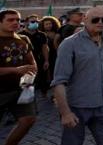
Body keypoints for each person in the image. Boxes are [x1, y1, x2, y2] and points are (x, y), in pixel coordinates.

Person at [51, 7, 103, 144]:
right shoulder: (69, 44)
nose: (100, 22)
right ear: (85, 19)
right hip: (77, 106)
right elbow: (59, 81)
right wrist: (65, 113)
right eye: (95, 19)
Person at [0, 9, 37, 145]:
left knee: (28, 120)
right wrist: (15, 70)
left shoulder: (23, 38)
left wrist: (32, 71)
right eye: (10, 20)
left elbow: (31, 60)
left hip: (21, 89)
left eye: (18, 20)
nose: (15, 22)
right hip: (1, 90)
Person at [21, 14, 49, 97]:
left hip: (40, 59)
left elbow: (45, 48)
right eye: (33, 21)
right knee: (27, 79)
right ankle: (26, 95)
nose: (35, 23)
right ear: (26, 23)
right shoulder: (21, 35)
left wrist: (46, 60)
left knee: (42, 79)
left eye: (37, 21)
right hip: (26, 61)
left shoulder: (42, 35)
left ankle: (44, 95)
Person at [40, 15, 61, 98]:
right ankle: (44, 91)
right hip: (44, 56)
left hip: (55, 55)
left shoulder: (57, 33)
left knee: (54, 73)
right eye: (46, 24)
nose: (49, 25)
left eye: (50, 24)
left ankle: (54, 93)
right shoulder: (41, 35)